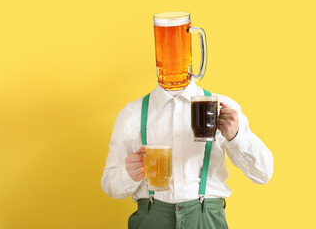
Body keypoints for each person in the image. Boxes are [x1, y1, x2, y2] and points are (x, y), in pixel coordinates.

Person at [101, 77, 274, 229]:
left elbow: (263, 173)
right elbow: (110, 184)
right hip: (151, 217)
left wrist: (236, 136)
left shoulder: (222, 108)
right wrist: (128, 174)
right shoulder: (133, 112)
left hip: (207, 218)